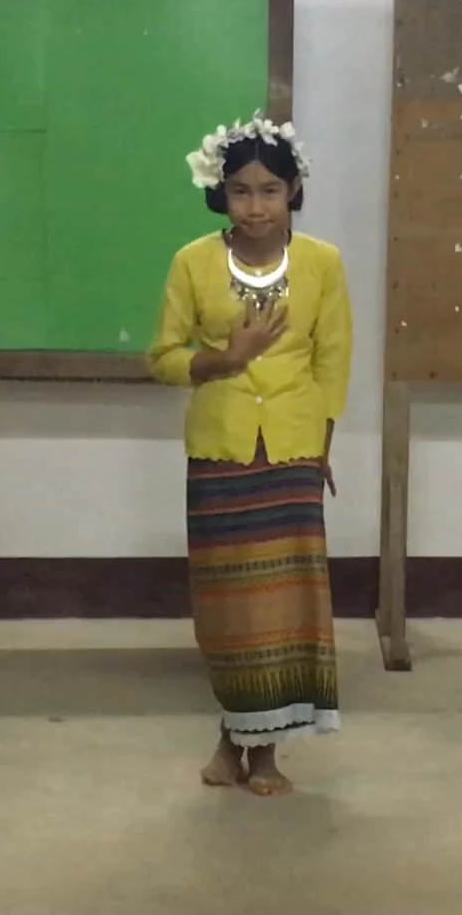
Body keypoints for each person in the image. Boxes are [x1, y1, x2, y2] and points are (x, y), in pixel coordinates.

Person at [148, 112, 351, 797]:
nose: (256, 205)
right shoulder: (191, 262)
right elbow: (164, 359)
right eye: (240, 190)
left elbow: (334, 364)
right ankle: (232, 733)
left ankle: (266, 754)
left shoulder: (322, 263)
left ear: (293, 190)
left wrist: (320, 449)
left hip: (292, 451)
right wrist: (223, 360)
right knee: (230, 605)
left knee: (287, 606)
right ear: (220, 193)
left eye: (269, 189)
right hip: (220, 451)